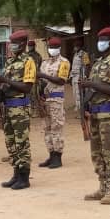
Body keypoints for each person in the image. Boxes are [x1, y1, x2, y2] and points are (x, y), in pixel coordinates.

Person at [79, 27, 110, 205]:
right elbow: (93, 89)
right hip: (96, 113)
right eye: (99, 39)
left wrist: (92, 84)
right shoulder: (98, 63)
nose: (100, 43)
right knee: (97, 153)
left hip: (109, 114)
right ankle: (102, 186)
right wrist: (85, 105)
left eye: (104, 39)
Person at [0, 31, 37, 190]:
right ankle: (16, 173)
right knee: (11, 142)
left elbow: (27, 87)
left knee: (22, 142)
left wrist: (6, 81)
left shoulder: (28, 61)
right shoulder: (9, 61)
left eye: (14, 42)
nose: (11, 45)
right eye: (10, 42)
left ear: (22, 43)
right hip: (8, 106)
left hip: (20, 106)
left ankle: (24, 176)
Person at [37, 37, 70, 169]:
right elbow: (39, 81)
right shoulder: (44, 63)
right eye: (50, 47)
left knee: (57, 127)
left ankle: (58, 157)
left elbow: (61, 80)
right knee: (47, 128)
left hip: (56, 99)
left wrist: (44, 76)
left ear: (59, 48)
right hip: (45, 99)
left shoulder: (64, 62)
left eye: (55, 47)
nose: (52, 49)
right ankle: (51, 155)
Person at [70, 39, 90, 119]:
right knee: (75, 95)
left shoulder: (83, 54)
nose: (75, 47)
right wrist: (70, 76)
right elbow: (74, 66)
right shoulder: (75, 54)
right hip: (74, 76)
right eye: (74, 46)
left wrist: (85, 76)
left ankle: (83, 113)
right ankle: (80, 112)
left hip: (80, 76)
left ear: (79, 46)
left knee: (80, 95)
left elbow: (87, 65)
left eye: (76, 46)